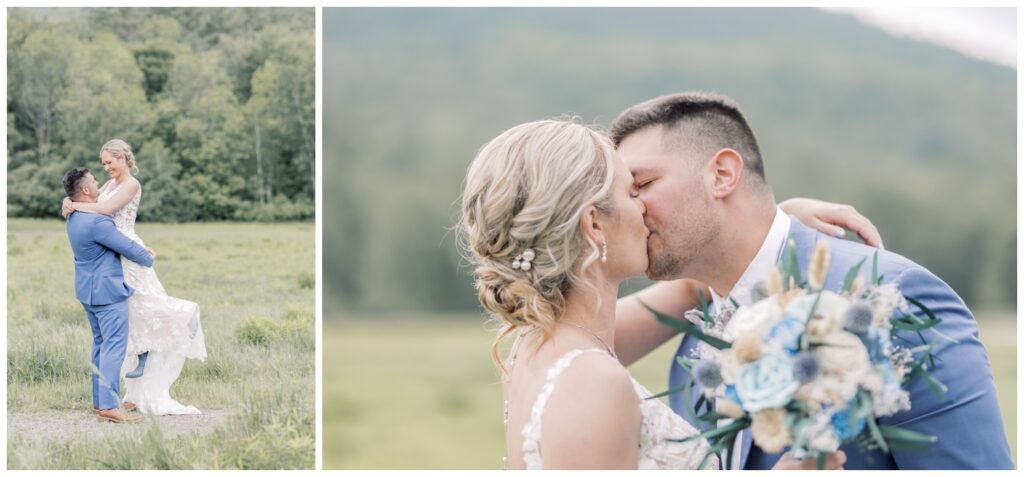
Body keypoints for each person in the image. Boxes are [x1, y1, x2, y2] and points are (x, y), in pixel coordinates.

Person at [609, 91, 1013, 469]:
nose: (628, 212)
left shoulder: (888, 296)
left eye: (642, 185)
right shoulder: (694, 344)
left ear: (723, 174)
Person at [460, 119, 852, 469]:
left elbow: (690, 289)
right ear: (594, 225)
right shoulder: (592, 381)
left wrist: (769, 219)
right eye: (633, 192)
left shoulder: (536, 345)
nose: (645, 209)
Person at [62, 139, 207, 415]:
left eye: (109, 162)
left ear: (123, 158)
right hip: (114, 252)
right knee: (125, 326)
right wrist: (70, 200)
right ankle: (123, 394)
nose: (106, 168)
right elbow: (90, 199)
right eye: (102, 164)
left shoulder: (131, 185)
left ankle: (134, 377)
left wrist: (73, 204)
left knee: (140, 315)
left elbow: (102, 209)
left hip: (124, 250)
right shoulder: (107, 186)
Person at [63, 167, 153, 423]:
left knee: (101, 345)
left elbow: (113, 241)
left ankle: (100, 403)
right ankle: (111, 406)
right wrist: (147, 257)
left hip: (87, 290)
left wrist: (67, 200)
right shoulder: (98, 221)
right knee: (113, 346)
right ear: (86, 190)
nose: (98, 182)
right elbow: (126, 248)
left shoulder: (74, 216)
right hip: (107, 292)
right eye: (93, 180)